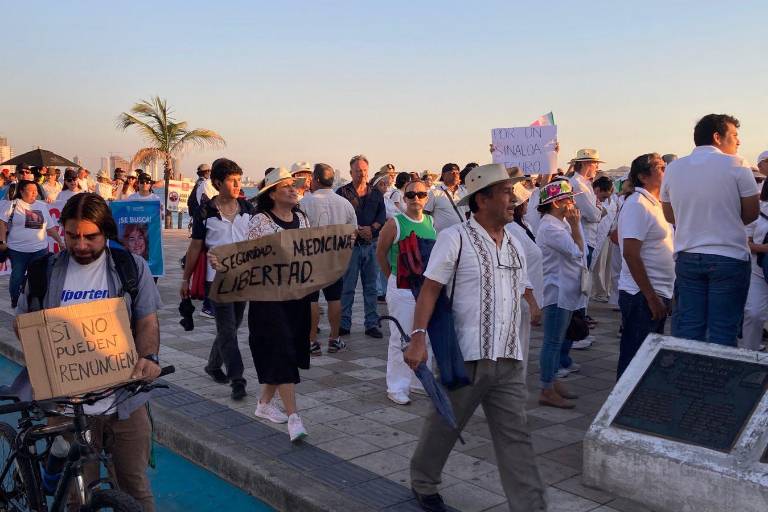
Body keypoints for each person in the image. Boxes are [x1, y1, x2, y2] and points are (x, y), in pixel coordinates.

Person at [404, 163, 544, 512]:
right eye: (506, 193)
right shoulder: (456, 239)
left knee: (517, 438)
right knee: (444, 427)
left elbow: (522, 287)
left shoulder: (514, 243)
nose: (513, 200)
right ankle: (423, 481)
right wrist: (418, 337)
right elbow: (430, 290)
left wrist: (533, 305)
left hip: (509, 358)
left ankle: (531, 507)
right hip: (466, 355)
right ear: (482, 200)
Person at [16, 193, 162, 511]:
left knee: (135, 487)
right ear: (63, 231)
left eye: (90, 236)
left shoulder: (130, 268)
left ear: (106, 232)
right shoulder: (43, 272)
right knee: (76, 495)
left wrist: (148, 358)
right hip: (67, 407)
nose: (81, 244)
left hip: (123, 399)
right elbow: (23, 325)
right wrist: (42, 362)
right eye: (72, 235)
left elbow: (147, 322)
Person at [661, 114, 759, 345]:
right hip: (729, 256)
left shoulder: (674, 168)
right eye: (734, 135)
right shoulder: (737, 164)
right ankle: (718, 380)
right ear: (717, 137)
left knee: (688, 329)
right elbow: (751, 212)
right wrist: (725, 219)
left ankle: (687, 378)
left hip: (688, 255)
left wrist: (694, 220)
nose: (738, 142)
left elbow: (669, 214)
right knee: (723, 331)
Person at [181, 158, 254, 399]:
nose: (237, 185)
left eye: (239, 180)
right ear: (217, 183)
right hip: (217, 280)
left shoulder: (248, 210)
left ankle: (213, 364)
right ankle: (237, 379)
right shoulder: (205, 213)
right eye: (232, 181)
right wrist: (185, 280)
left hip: (243, 277)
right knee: (227, 328)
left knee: (235, 324)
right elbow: (195, 248)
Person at [246, 167, 310, 442]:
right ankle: (294, 417)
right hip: (268, 297)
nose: (293, 189)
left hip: (297, 296)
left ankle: (263, 405)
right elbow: (251, 257)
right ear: (271, 194)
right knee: (282, 347)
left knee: (289, 348)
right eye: (285, 186)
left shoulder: (302, 218)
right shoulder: (260, 220)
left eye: (294, 185)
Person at [376, 179, 436, 405]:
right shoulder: (395, 223)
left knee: (423, 334)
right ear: (404, 197)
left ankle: (419, 381)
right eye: (411, 195)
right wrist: (392, 276)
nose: (416, 199)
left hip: (424, 288)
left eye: (421, 194)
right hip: (401, 288)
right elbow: (380, 253)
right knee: (400, 336)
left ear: (427, 197)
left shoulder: (431, 221)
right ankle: (397, 386)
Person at [616, 153, 674, 378]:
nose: (665, 171)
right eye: (660, 168)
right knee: (635, 361)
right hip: (641, 295)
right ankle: (621, 410)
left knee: (647, 360)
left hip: (657, 291)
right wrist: (650, 297)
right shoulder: (638, 204)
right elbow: (631, 254)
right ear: (643, 176)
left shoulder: (656, 204)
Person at [536, 180, 585, 409]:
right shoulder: (550, 227)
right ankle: (546, 387)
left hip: (565, 289)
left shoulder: (558, 224)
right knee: (553, 341)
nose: (573, 203)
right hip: (556, 291)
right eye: (568, 199)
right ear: (557, 202)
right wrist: (576, 226)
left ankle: (552, 381)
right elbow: (577, 252)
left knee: (557, 340)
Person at [299, 163, 358, 356]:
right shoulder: (344, 203)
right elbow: (353, 233)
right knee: (335, 298)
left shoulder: (305, 203)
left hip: (311, 259)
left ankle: (311, 341)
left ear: (315, 179)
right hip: (335, 260)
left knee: (311, 300)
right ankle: (334, 338)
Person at [336, 154, 386, 339]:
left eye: (364, 170)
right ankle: (344, 323)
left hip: (371, 245)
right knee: (347, 287)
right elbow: (337, 218)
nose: (361, 174)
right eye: (358, 170)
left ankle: (371, 323)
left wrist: (372, 228)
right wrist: (356, 230)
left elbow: (382, 216)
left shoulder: (376, 193)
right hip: (351, 247)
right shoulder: (342, 193)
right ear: (351, 172)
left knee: (371, 287)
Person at [0, 180, 63, 307]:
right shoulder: (13, 205)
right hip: (18, 250)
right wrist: (2, 241)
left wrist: (60, 241)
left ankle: (36, 302)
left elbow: (50, 228)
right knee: (17, 276)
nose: (35, 193)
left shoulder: (42, 206)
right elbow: (2, 223)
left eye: (36, 190)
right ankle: (15, 300)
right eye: (31, 190)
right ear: (22, 191)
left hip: (40, 250)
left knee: (38, 279)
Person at [506, 182, 543, 366]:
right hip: (520, 297)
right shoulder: (511, 229)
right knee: (516, 348)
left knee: (523, 346)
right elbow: (518, 267)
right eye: (525, 202)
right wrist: (532, 301)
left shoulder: (524, 225)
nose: (528, 205)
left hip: (529, 293)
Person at [371, 171, 395, 302]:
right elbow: (388, 215)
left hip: (388, 235)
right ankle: (379, 291)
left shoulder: (387, 199)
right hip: (378, 235)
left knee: (386, 264)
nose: (385, 186)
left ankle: (386, 291)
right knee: (376, 266)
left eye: (386, 184)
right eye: (381, 184)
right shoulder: (373, 199)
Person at [424, 163, 467, 233]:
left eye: (457, 173)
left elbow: (468, 213)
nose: (455, 175)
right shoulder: (434, 193)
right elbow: (426, 214)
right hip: (442, 236)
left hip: (462, 233)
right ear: (443, 175)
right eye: (452, 173)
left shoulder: (464, 192)